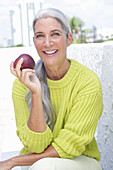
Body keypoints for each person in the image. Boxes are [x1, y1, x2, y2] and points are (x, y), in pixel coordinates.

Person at [0, 8, 103, 170]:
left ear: (68, 39)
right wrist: (36, 92)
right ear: (34, 41)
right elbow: (35, 146)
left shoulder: (87, 82)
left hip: (80, 160)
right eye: (40, 36)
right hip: (36, 161)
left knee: (45, 166)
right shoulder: (22, 83)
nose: (47, 43)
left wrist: (12, 161)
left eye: (55, 34)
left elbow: (69, 147)